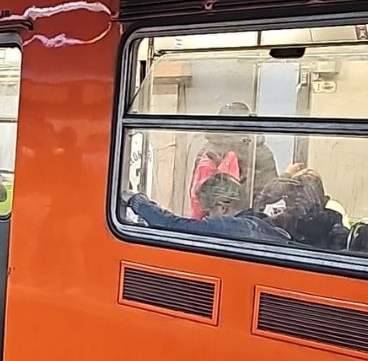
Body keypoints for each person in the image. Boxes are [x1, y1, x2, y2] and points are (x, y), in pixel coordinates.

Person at [125, 173, 289, 244]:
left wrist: (135, 200)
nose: (205, 219)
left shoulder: (232, 227)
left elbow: (172, 226)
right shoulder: (260, 223)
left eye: (207, 213)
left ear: (222, 208)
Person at [188, 102, 278, 218]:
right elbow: (272, 193)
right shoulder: (259, 150)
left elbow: (198, 192)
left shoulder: (208, 149)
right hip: (248, 218)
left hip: (213, 217)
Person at [257, 167, 349, 251]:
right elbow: (250, 225)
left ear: (322, 202)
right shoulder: (281, 222)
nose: (301, 206)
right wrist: (263, 200)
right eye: (292, 197)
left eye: (307, 199)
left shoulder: (333, 226)